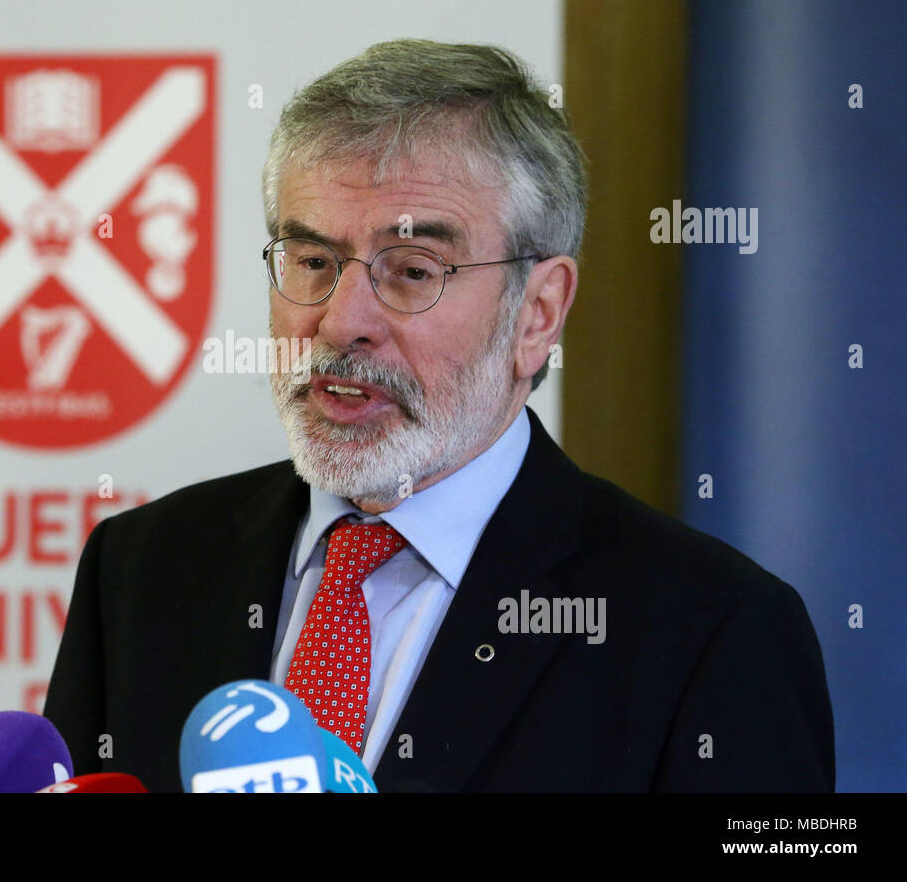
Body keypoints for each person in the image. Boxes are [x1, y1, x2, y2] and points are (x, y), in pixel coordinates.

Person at [44, 39, 835, 792]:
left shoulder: (709, 633)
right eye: (312, 260)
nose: (340, 319)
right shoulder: (143, 566)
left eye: (412, 271)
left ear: (538, 312)